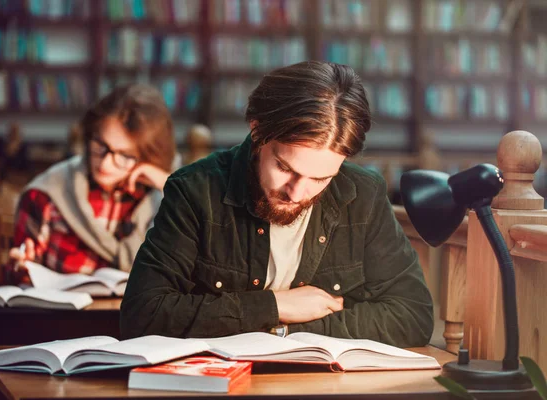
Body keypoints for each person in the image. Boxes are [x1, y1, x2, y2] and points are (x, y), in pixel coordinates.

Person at [121, 61, 433, 348]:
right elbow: (142, 316)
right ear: (257, 131)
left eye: (321, 178)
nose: (298, 193)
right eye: (285, 168)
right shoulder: (194, 190)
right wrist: (277, 305)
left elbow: (413, 315)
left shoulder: (364, 194)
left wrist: (284, 333)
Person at [8, 84, 176, 279]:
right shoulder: (45, 193)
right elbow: (24, 278)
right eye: (100, 145)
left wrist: (170, 185)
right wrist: (22, 266)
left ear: (148, 157)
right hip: (66, 309)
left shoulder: (162, 195)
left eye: (125, 155)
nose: (105, 163)